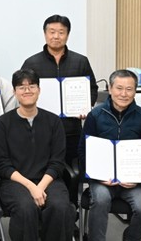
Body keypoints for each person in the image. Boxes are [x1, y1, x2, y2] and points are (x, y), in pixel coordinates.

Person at [0, 69, 76, 241]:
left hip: (49, 180)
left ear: (39, 90)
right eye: (22, 87)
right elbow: (2, 164)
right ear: (15, 91)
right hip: (15, 182)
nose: (27, 90)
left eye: (31, 86)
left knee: (60, 206)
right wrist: (32, 187)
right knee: (26, 207)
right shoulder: (3, 123)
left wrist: (41, 186)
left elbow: (57, 161)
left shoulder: (53, 121)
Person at [78, 69, 141, 241]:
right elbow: (83, 152)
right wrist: (96, 176)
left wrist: (139, 176)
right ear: (110, 89)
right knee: (100, 200)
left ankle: (130, 240)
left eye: (129, 89)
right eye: (119, 88)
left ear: (135, 91)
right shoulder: (95, 116)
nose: (124, 94)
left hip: (132, 181)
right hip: (102, 180)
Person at [21, 14, 98, 203]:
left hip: (71, 130)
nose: (56, 36)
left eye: (61, 32)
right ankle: (43, 211)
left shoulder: (80, 61)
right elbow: (24, 91)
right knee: (43, 173)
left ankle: (71, 212)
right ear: (45, 34)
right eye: (52, 32)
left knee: (71, 176)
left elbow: (92, 89)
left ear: (68, 35)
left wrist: (86, 107)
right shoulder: (32, 63)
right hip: (41, 131)